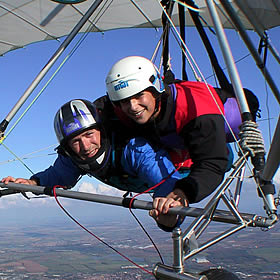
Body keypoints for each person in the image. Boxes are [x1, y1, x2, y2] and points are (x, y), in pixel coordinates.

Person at [1, 99, 185, 230]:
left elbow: (166, 182)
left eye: (89, 135)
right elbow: (58, 175)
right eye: (75, 141)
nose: (85, 146)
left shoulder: (134, 149)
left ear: (101, 130)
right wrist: (31, 183)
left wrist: (168, 216)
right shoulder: (74, 157)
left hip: (182, 172)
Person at [103, 55, 231, 228]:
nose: (133, 107)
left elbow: (213, 164)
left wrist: (181, 194)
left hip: (211, 147)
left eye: (139, 95)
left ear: (155, 89)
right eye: (125, 101)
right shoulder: (121, 110)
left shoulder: (197, 112)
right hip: (169, 143)